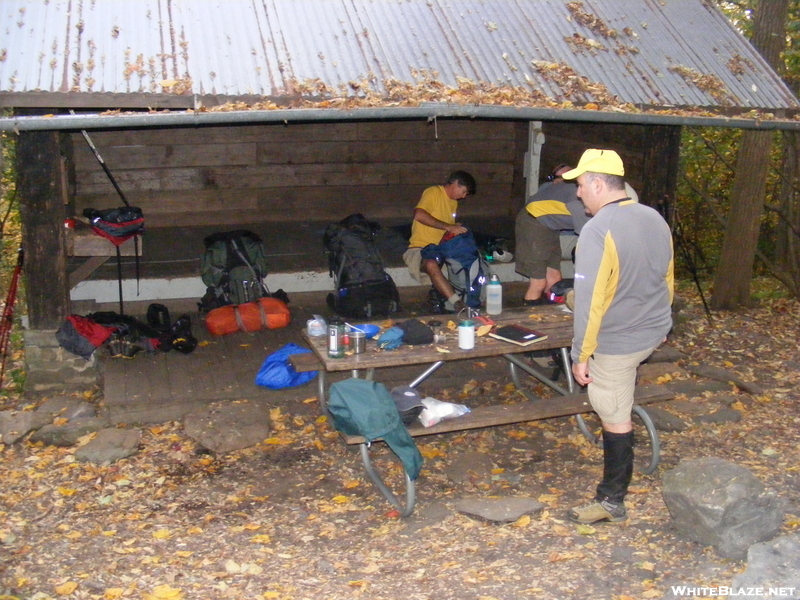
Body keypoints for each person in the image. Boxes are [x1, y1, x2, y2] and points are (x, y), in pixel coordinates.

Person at [562, 149, 673, 524]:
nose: (578, 194)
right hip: (651, 330)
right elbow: (667, 277)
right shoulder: (653, 217)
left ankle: (612, 500)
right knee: (618, 399)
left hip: (618, 341)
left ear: (597, 183)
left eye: (580, 185)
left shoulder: (597, 230)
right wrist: (662, 323)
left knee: (613, 412)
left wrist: (581, 353)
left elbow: (590, 302)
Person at [403, 170, 477, 313]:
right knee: (431, 262)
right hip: (420, 249)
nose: (463, 196)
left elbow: (446, 230)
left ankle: (441, 297)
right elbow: (419, 215)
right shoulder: (433, 192)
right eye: (463, 192)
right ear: (455, 184)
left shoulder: (453, 203)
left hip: (442, 250)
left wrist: (456, 230)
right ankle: (457, 304)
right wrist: (448, 226)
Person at [514, 163, 588, 305]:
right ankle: (530, 317)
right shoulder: (579, 202)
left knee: (554, 278)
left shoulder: (592, 201)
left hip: (550, 226)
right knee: (539, 282)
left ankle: (551, 317)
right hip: (532, 221)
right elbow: (586, 242)